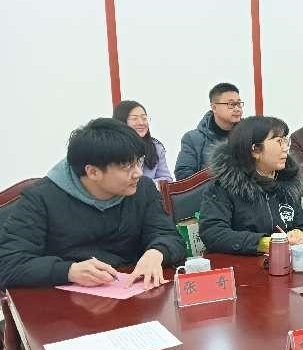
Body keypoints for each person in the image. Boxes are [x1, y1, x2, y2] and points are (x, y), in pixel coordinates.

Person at [0, 118, 185, 289]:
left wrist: (158, 252)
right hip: (65, 302)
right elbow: (9, 264)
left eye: (138, 162)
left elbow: (169, 236)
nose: (138, 173)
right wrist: (68, 271)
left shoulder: (142, 189)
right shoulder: (41, 199)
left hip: (132, 291)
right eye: (127, 167)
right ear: (93, 172)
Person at [199, 116, 303, 255]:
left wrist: (299, 232)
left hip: (285, 260)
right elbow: (213, 233)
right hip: (241, 262)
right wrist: (262, 243)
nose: (285, 148)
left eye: (285, 140)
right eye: (279, 141)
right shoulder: (224, 186)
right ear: (255, 150)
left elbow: (302, 224)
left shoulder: (287, 181)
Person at [175, 82, 243, 179]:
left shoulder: (250, 135)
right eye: (231, 104)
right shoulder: (193, 139)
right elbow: (183, 175)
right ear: (214, 107)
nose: (237, 109)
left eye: (239, 104)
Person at [113, 100, 173, 183]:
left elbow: (166, 180)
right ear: (121, 122)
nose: (141, 123)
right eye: (134, 119)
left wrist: (145, 186)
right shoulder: (111, 148)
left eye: (144, 118)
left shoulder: (156, 147)